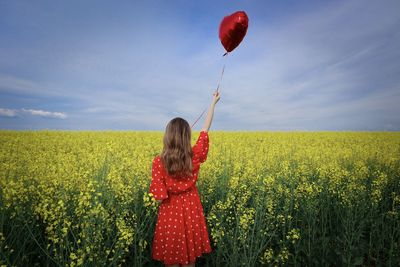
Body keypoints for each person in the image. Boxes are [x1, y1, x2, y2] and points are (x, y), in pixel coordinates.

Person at [149, 90, 220, 267]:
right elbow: (205, 129)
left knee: (171, 256)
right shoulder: (194, 156)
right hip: (190, 208)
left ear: (168, 136)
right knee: (189, 257)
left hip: (170, 211)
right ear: (187, 136)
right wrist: (213, 102)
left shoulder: (159, 162)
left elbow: (158, 195)